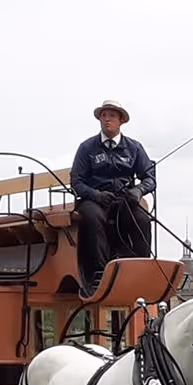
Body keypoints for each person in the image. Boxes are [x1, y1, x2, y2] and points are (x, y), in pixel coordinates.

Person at [70, 100, 156, 297]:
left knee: (142, 219)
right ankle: (98, 274)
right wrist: (95, 195)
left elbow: (150, 178)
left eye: (111, 116)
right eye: (104, 116)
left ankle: (139, 268)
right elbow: (76, 181)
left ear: (120, 121)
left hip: (124, 199)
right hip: (94, 199)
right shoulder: (87, 148)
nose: (107, 119)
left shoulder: (134, 148)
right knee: (92, 218)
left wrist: (138, 191)